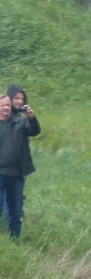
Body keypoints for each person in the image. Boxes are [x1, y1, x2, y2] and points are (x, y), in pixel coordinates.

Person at [0, 90, 41, 238]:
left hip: (17, 175)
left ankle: (15, 240)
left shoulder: (20, 122)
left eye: (7, 106)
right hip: (0, 174)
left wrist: (32, 118)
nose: (6, 108)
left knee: (15, 212)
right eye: (2, 105)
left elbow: (35, 131)